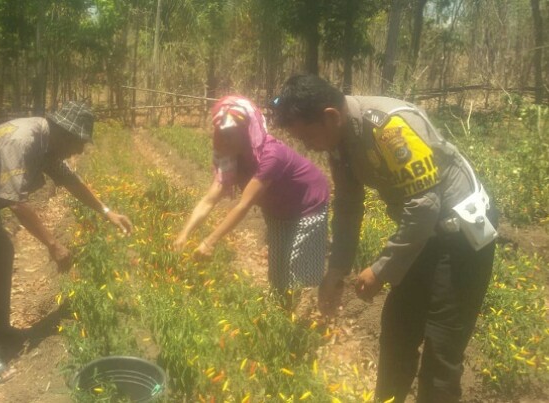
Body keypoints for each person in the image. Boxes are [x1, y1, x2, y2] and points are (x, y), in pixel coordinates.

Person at [271, 74, 498, 403]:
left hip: (461, 233)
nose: (307, 147)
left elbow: (425, 207)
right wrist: (337, 269)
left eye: (307, 137)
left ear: (330, 116)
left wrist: (381, 270)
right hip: (424, 234)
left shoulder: (388, 127)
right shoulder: (339, 143)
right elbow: (348, 207)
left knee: (441, 349)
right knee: (397, 332)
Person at [0, 101, 133, 383]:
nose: (80, 150)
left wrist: (107, 212)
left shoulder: (48, 143)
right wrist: (52, 244)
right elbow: (17, 204)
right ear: (63, 132)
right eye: (78, 142)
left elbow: (70, 179)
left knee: (3, 251)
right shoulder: (23, 140)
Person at [174, 95, 330, 308]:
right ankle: (282, 316)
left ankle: (309, 321)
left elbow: (243, 205)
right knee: (278, 271)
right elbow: (210, 199)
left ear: (247, 129)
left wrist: (209, 242)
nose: (226, 138)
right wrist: (184, 234)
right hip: (278, 210)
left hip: (308, 205)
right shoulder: (233, 157)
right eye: (223, 133)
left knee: (298, 272)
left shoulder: (271, 156)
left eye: (232, 132)